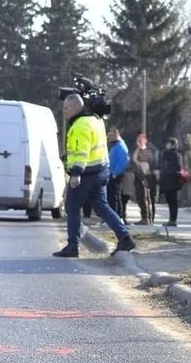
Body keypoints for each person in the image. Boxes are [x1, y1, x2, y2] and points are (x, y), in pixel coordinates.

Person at [53, 93, 135, 258]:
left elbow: (82, 152)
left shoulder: (80, 125)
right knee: (101, 206)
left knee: (72, 208)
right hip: (101, 170)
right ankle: (124, 237)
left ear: (77, 107)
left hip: (85, 173)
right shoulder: (95, 120)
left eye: (66, 108)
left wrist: (76, 173)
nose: (64, 112)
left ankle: (73, 246)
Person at [157, 138, 184, 226]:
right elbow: (179, 168)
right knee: (173, 201)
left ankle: (172, 220)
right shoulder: (178, 155)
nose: (166, 145)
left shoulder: (167, 154)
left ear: (172, 145)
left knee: (171, 201)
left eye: (168, 143)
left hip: (168, 180)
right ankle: (173, 219)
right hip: (175, 181)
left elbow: (163, 166)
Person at [106, 127, 130, 224]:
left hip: (115, 175)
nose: (109, 138)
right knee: (113, 196)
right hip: (112, 173)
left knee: (114, 196)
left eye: (110, 136)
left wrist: (115, 173)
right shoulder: (115, 146)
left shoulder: (120, 146)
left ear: (116, 135)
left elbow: (124, 161)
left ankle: (115, 217)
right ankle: (117, 216)